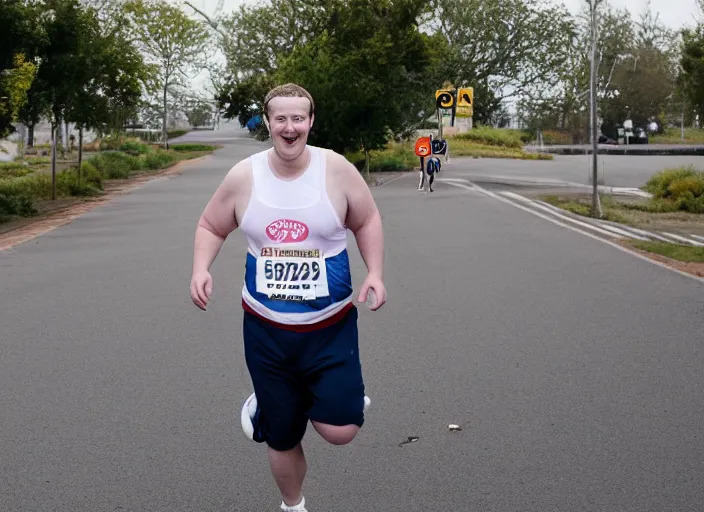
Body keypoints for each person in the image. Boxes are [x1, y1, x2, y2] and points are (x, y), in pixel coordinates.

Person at [189, 83, 386, 512]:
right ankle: (292, 505)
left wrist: (375, 273)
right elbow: (211, 224)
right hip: (266, 331)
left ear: (311, 122)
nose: (290, 127)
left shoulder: (336, 170)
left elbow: (367, 219)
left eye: (299, 118)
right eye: (281, 118)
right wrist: (201, 268)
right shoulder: (245, 175)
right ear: (268, 123)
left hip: (329, 330)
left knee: (340, 430)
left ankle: (302, 399)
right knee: (282, 434)